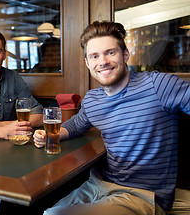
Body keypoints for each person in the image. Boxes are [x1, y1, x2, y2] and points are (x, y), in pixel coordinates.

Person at [33, 21, 190, 215]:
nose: (103, 62)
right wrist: (52, 134)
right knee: (47, 212)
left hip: (142, 194)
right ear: (87, 63)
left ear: (125, 55)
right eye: (95, 56)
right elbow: (76, 124)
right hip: (98, 184)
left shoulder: (158, 85)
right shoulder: (92, 99)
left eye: (110, 53)